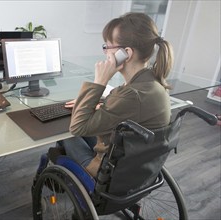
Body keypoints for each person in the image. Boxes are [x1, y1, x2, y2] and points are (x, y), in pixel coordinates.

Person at [51, 12, 174, 177]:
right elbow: (128, 113)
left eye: (107, 47)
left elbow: (77, 127)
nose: (105, 53)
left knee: (66, 133)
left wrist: (99, 81)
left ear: (126, 53)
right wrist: (100, 106)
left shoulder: (131, 95)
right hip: (135, 167)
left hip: (108, 172)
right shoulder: (155, 84)